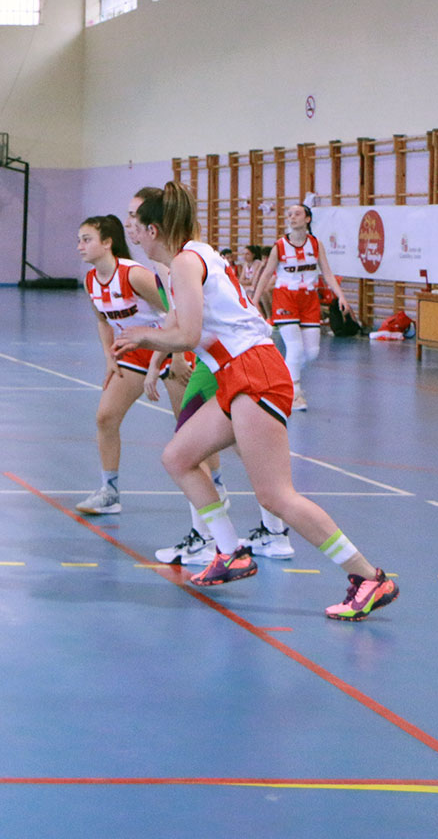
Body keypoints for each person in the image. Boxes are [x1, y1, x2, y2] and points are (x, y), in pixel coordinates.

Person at [113, 184, 398, 622]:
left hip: (255, 371)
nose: (130, 227)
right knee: (178, 457)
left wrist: (141, 336)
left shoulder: (188, 262)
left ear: (153, 228)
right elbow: (180, 326)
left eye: (135, 220)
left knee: (276, 495)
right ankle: (230, 552)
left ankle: (368, 577)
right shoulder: (187, 262)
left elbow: (186, 335)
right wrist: (154, 355)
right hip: (235, 373)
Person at [73, 215, 181, 516]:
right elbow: (102, 321)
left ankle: (216, 489)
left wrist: (179, 354)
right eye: (79, 240)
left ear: (107, 242)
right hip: (133, 351)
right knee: (105, 418)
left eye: (86, 239)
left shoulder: (134, 275)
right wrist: (110, 357)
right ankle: (110, 491)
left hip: (169, 347)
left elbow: (175, 311)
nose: (80, 246)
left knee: (187, 426)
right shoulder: (91, 280)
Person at [251, 205, 349, 409]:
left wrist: (341, 297)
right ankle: (294, 393)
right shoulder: (280, 245)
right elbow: (267, 274)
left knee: (311, 352)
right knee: (295, 347)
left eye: (297, 214)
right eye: (289, 214)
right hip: (286, 296)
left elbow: (327, 273)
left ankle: (284, 377)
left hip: (309, 298)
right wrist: (255, 299)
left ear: (307, 219)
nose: (292, 217)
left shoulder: (315, 244)